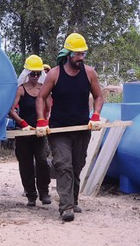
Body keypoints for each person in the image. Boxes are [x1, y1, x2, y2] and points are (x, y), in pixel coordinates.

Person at [35, 32, 104, 222]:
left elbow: (99, 96)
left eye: (83, 54)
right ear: (68, 53)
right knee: (63, 165)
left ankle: (72, 200)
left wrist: (96, 115)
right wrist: (41, 120)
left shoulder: (90, 73)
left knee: (77, 165)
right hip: (59, 130)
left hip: (82, 128)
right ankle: (66, 208)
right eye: (77, 54)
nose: (81, 58)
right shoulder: (55, 74)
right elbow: (41, 97)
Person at [9, 55, 52, 206]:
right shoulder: (20, 90)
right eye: (32, 73)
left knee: (42, 160)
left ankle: (44, 192)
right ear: (27, 73)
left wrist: (45, 123)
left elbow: (50, 108)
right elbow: (10, 110)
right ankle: (31, 195)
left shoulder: (43, 89)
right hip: (24, 133)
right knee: (25, 164)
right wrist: (23, 123)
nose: (35, 77)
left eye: (38, 74)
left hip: (40, 133)